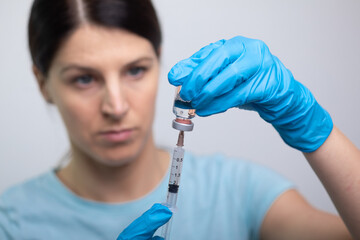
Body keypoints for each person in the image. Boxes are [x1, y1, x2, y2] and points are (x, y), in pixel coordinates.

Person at [0, 0, 359, 239]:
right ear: (42, 83)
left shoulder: (238, 190)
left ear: (159, 62)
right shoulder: (12, 222)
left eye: (136, 70)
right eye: (84, 78)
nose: (116, 105)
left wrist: (313, 128)